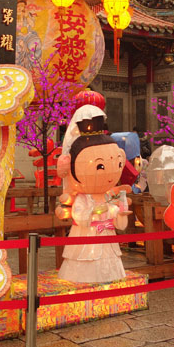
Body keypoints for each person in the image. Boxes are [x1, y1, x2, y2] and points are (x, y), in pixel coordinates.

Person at [57, 115, 131, 283]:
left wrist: (119, 213)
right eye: (100, 166)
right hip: (86, 238)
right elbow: (80, 217)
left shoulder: (107, 195)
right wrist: (96, 211)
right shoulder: (83, 198)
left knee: (110, 267)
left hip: (108, 237)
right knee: (85, 270)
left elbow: (119, 223)